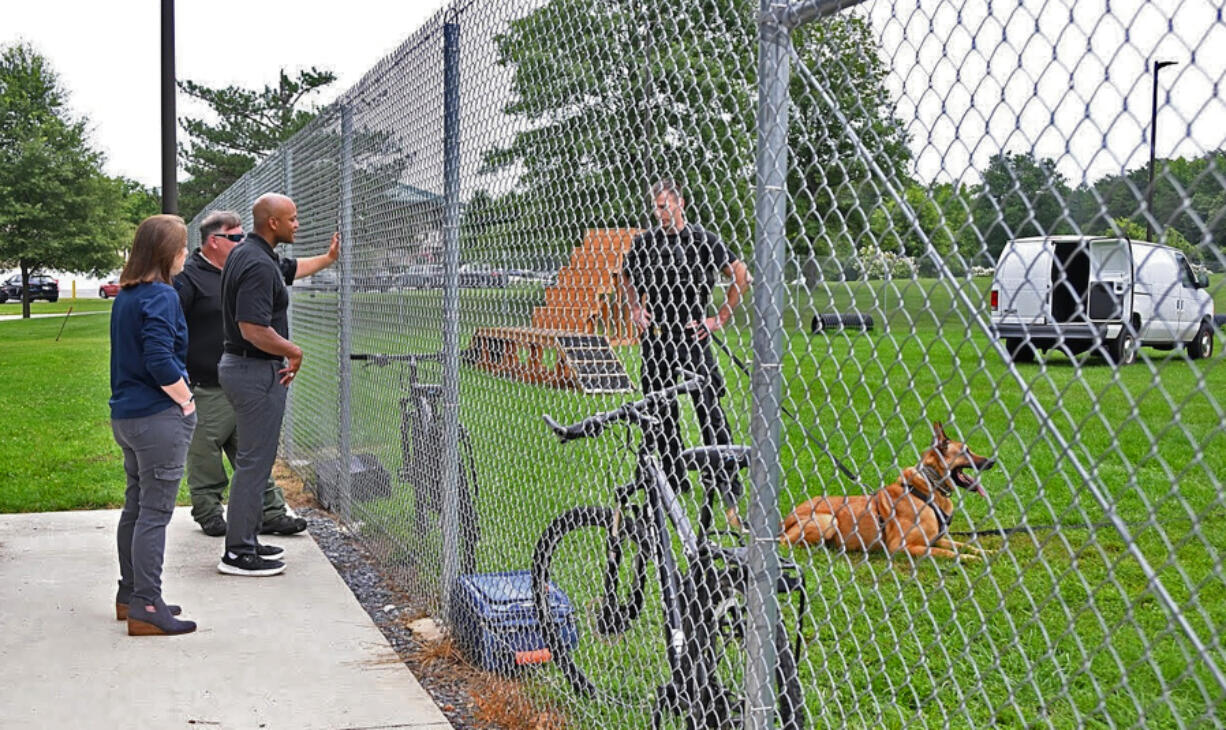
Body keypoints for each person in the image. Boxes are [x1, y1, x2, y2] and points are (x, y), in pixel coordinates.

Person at [176, 210, 339, 538]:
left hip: (243, 377)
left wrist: (328, 258)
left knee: (253, 453)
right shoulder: (189, 277)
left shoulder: (246, 264)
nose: (241, 241)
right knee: (205, 453)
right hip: (206, 383)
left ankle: (270, 512)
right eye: (234, 237)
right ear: (213, 241)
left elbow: (292, 269)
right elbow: (172, 326)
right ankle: (209, 513)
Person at [217, 194, 339, 577]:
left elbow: (290, 269)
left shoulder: (254, 253)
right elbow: (252, 329)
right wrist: (293, 350)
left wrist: (328, 260)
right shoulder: (255, 263)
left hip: (247, 369)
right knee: (253, 464)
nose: (297, 224)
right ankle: (237, 552)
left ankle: (247, 540)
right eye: (293, 218)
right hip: (253, 371)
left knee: (255, 462)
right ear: (273, 223)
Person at [619, 180, 751, 524]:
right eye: (655, 206)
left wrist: (719, 318)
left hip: (693, 336)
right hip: (657, 337)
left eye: (664, 206)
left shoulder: (703, 240)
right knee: (661, 412)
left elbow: (740, 273)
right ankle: (673, 479)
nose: (658, 213)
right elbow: (627, 276)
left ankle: (726, 485)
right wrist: (636, 310)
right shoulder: (646, 243)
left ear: (681, 204)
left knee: (709, 409)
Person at [109, 214, 198, 635]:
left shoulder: (126, 294)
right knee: (155, 513)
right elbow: (160, 358)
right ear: (167, 252)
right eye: (181, 248)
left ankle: (131, 594)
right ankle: (147, 603)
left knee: (136, 506)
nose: (185, 255)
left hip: (126, 416)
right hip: (156, 418)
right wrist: (187, 400)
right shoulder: (162, 295)